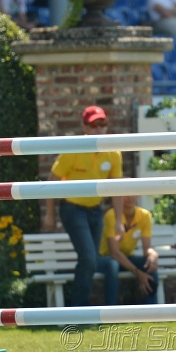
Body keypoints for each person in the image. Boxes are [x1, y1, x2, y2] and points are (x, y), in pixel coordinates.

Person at [44, 106, 124, 307]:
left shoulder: (114, 152)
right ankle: (80, 310)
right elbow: (52, 181)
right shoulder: (73, 148)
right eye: (94, 124)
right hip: (72, 208)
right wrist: (50, 215)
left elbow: (117, 189)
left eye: (102, 123)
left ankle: (82, 310)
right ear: (84, 127)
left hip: (96, 210)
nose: (99, 128)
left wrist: (118, 222)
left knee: (92, 260)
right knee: (88, 257)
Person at [96, 196, 159, 305]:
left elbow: (147, 248)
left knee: (149, 264)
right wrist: (138, 273)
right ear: (117, 198)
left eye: (132, 193)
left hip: (126, 258)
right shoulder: (111, 215)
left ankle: (152, 311)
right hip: (104, 259)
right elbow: (114, 253)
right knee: (113, 264)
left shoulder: (145, 215)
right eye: (124, 194)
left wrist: (153, 255)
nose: (129, 197)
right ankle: (111, 312)